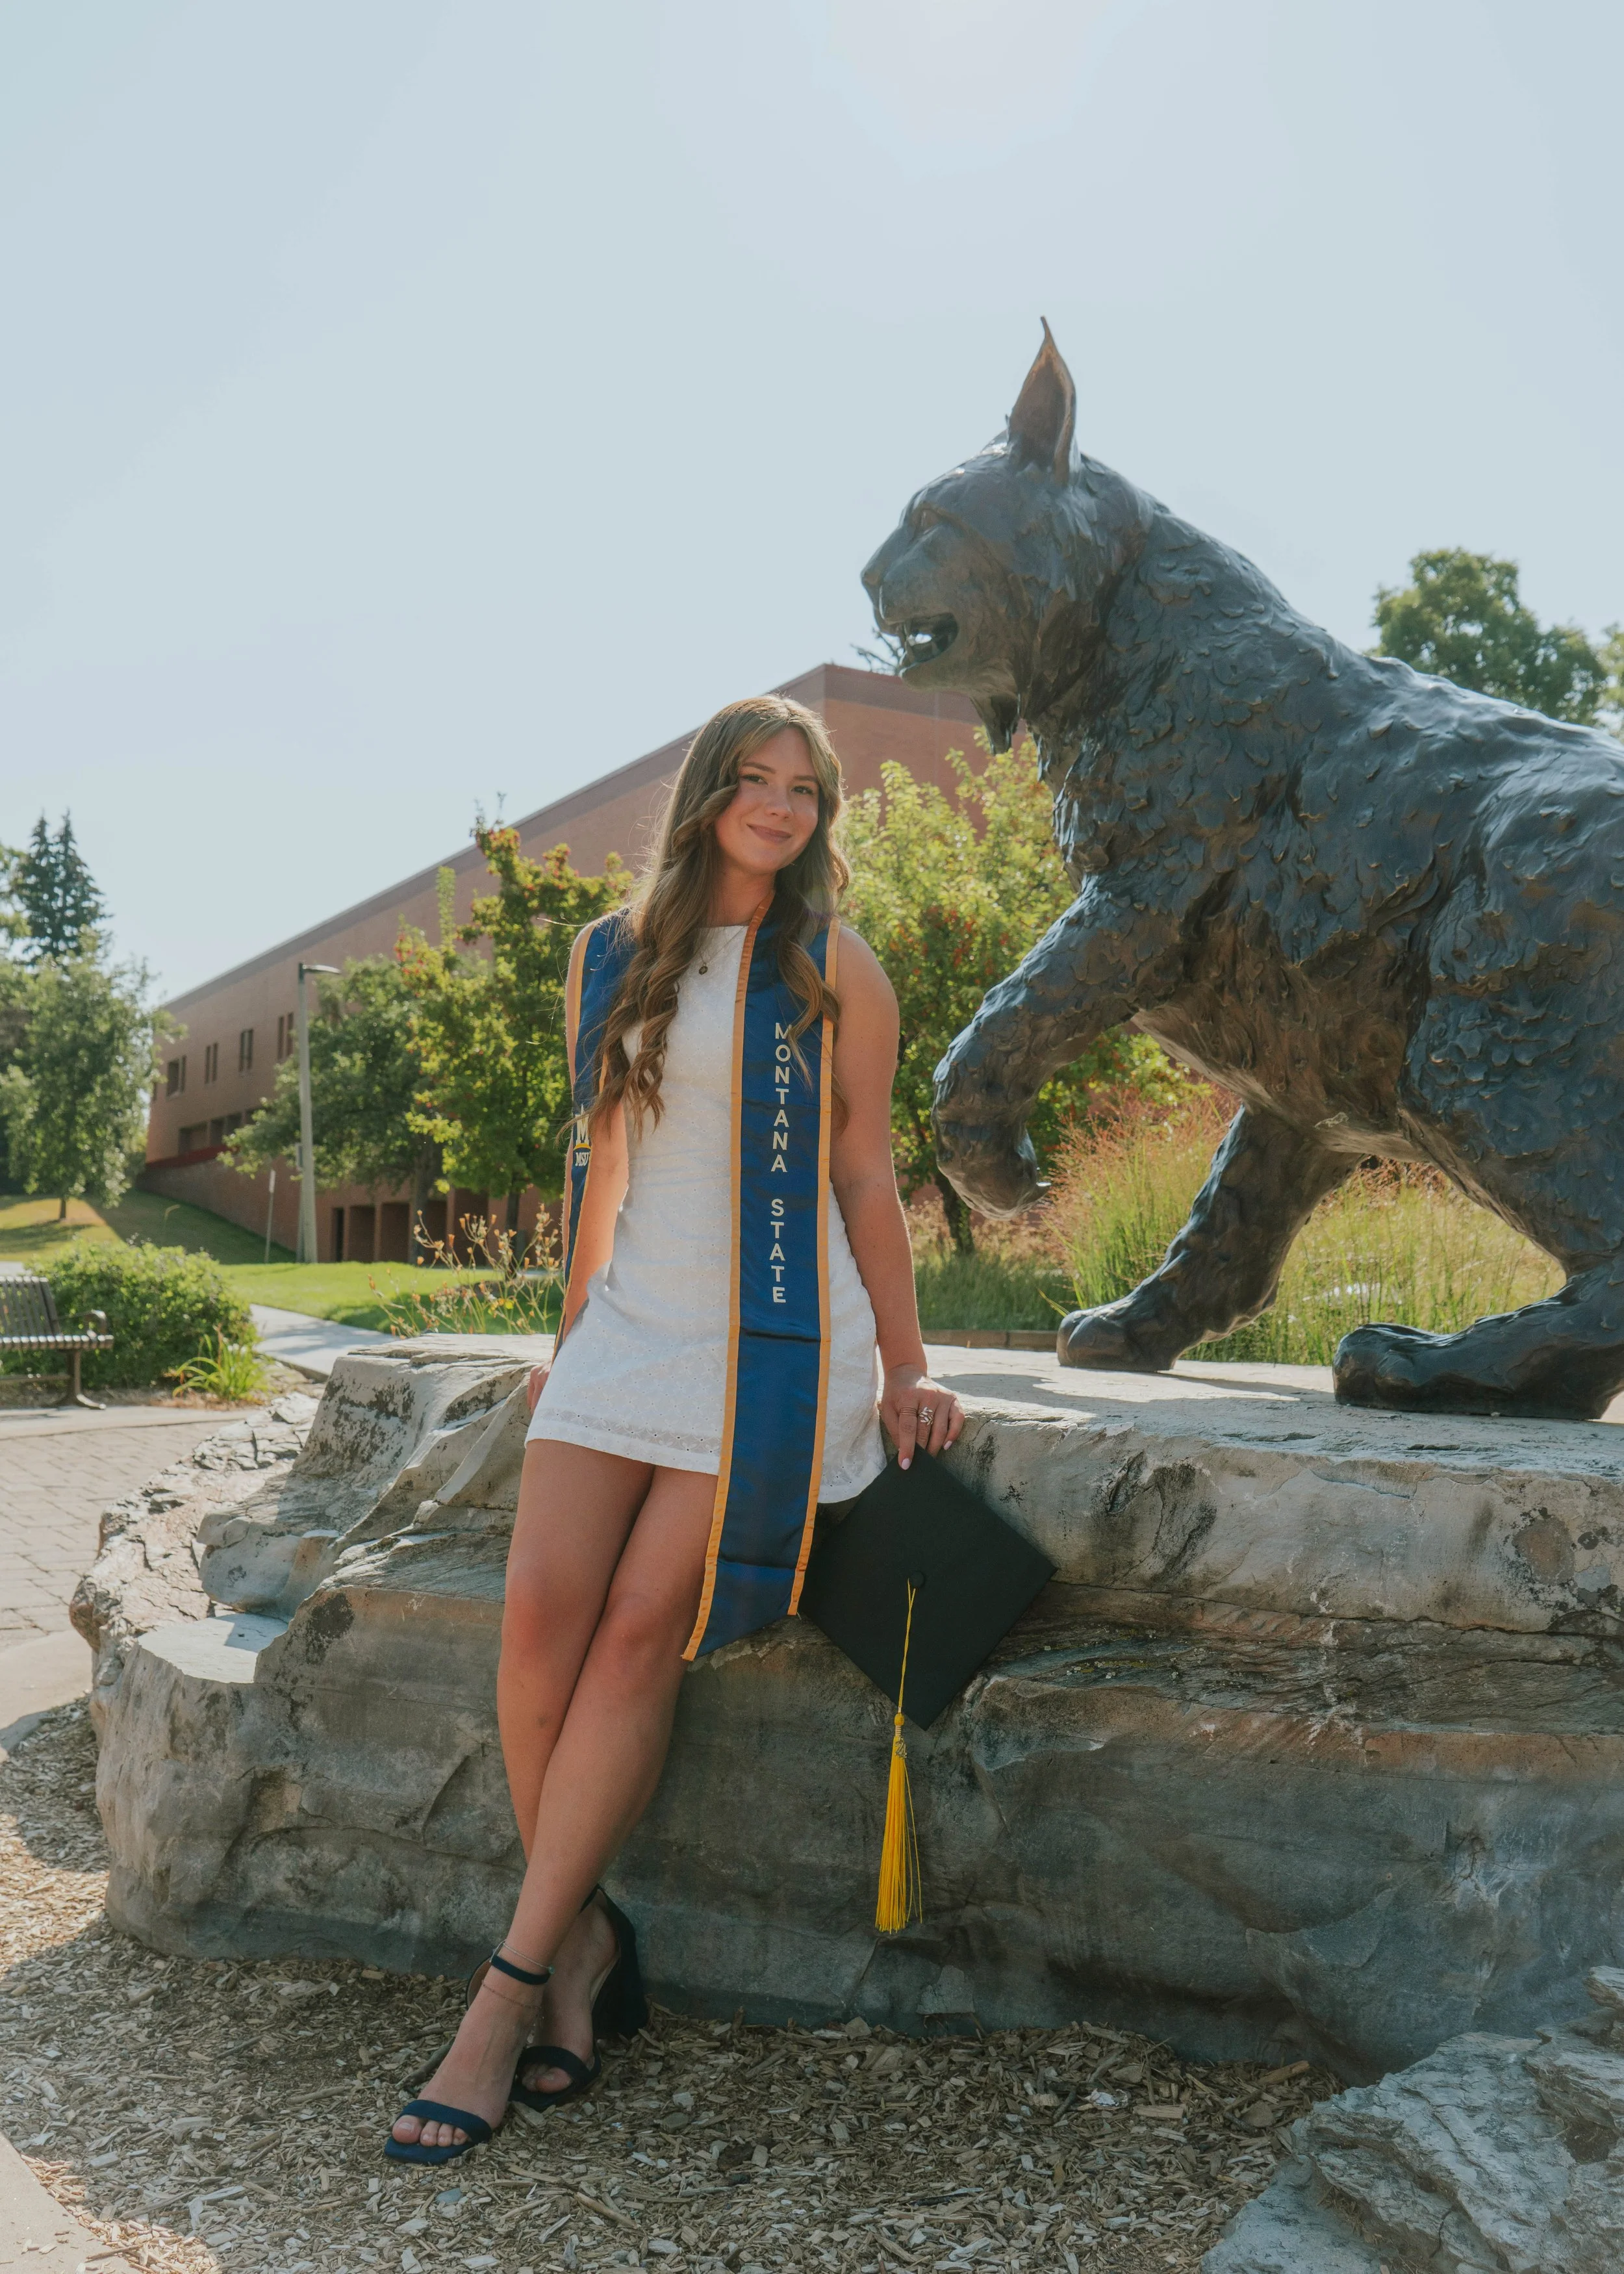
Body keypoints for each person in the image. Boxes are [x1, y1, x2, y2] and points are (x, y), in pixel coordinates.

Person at [389, 693, 965, 2162]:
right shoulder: (609, 955)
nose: (781, 806)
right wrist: (563, 1343)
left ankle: (508, 1991)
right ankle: (582, 1937)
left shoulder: (834, 968)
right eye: (756, 780)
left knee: (643, 1632)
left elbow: (864, 1178)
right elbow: (601, 1162)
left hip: (774, 1342)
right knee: (535, 1630)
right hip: (630, 1334)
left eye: (804, 789)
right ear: (708, 793)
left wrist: (906, 1363)